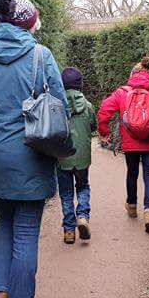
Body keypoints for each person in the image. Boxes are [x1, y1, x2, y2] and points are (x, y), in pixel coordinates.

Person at [0, 0, 69, 298]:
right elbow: (61, 105)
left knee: (5, 220)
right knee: (26, 231)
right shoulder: (41, 55)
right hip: (29, 152)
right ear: (27, 23)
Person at [98, 57, 149, 233]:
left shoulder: (122, 93)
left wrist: (104, 133)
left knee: (132, 172)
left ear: (132, 75)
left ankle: (132, 205)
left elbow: (104, 111)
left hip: (130, 142)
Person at [56, 67, 98, 244]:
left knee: (66, 193)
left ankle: (69, 231)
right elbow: (93, 126)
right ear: (80, 84)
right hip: (82, 158)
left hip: (62, 157)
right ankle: (82, 216)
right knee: (82, 187)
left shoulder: (56, 106)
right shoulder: (87, 106)